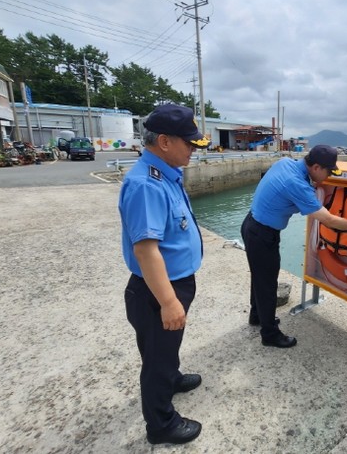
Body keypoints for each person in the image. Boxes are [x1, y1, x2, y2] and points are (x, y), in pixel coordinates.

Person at [119, 104, 210, 445]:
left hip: (173, 282)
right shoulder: (148, 185)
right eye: (189, 143)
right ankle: (161, 424)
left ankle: (171, 378)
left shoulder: (166, 173)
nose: (193, 149)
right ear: (164, 141)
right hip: (158, 290)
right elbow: (146, 251)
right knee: (157, 359)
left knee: (165, 350)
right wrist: (169, 302)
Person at [240, 144, 347, 348]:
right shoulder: (297, 184)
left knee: (261, 277)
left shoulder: (286, 163)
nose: (328, 177)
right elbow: (328, 220)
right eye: (328, 172)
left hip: (252, 224)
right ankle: (269, 334)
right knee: (267, 282)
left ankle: (257, 316)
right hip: (262, 233)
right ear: (316, 167)